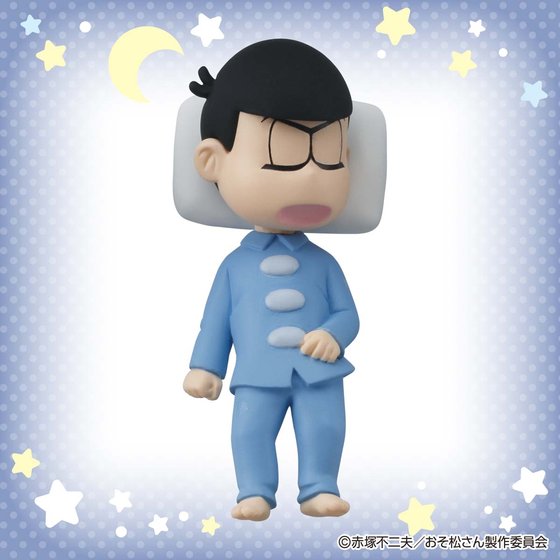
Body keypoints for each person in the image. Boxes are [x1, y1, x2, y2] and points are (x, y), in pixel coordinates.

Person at [182, 39, 359, 521]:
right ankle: (254, 491)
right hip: (258, 372)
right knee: (249, 431)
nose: (310, 177)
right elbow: (215, 323)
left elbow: (347, 313)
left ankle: (320, 486)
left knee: (325, 427)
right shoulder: (234, 267)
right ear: (212, 161)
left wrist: (333, 334)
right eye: (284, 154)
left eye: (330, 155)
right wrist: (206, 367)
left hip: (318, 372)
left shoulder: (324, 262)